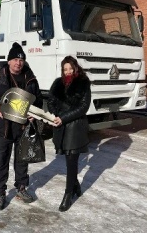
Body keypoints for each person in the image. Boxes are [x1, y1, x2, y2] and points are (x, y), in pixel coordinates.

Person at [0, 42, 43, 210]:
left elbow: (38, 99)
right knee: (1, 160)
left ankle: (21, 188)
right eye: (15, 59)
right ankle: (0, 193)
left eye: (21, 60)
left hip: (23, 127)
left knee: (22, 160)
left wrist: (34, 114)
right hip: (4, 128)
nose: (18, 63)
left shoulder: (30, 78)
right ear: (9, 61)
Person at [47, 55, 91, 212]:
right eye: (65, 69)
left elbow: (83, 107)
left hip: (75, 127)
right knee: (68, 159)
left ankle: (68, 194)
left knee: (71, 160)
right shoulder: (58, 83)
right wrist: (55, 114)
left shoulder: (83, 83)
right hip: (61, 128)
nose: (67, 72)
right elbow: (50, 101)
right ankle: (76, 185)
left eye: (70, 68)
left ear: (75, 68)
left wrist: (63, 117)